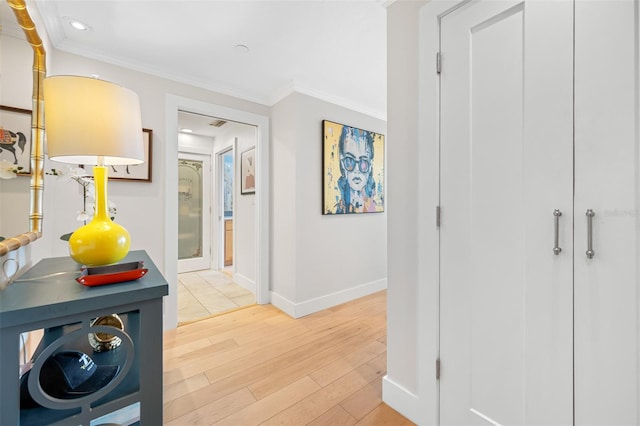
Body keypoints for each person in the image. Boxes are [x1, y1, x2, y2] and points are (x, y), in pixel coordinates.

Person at [334, 125, 377, 213]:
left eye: (363, 162)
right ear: (342, 163)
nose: (357, 170)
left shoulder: (376, 206)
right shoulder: (336, 208)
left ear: (370, 166)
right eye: (349, 161)